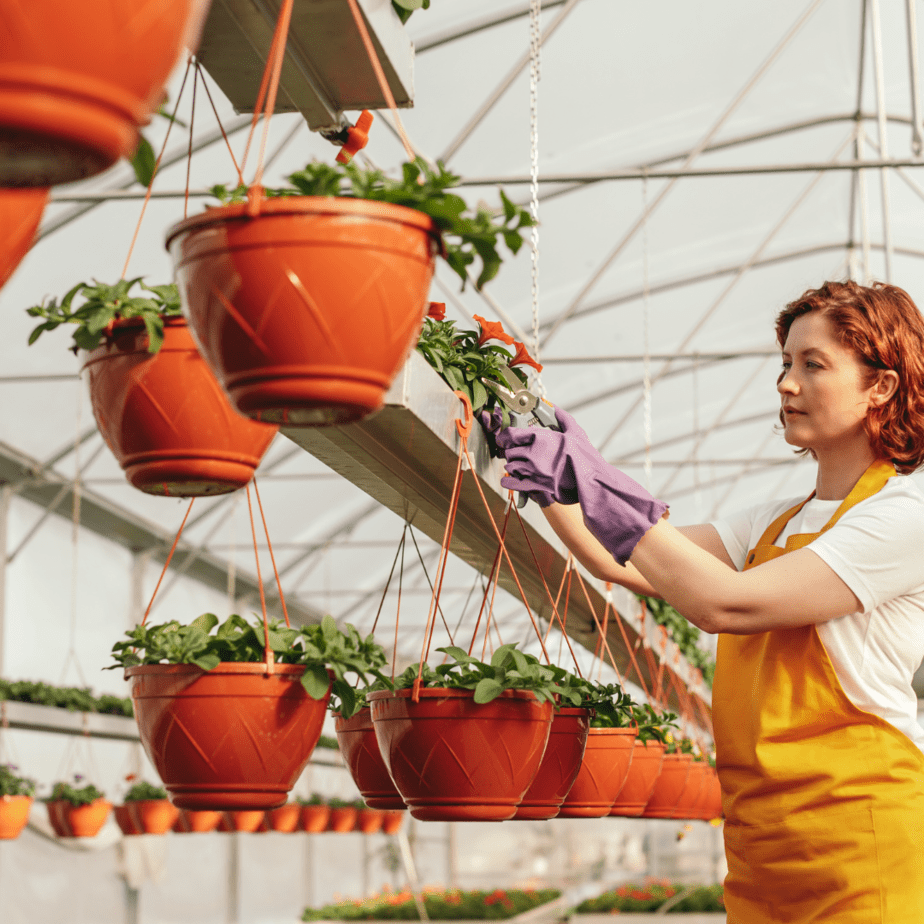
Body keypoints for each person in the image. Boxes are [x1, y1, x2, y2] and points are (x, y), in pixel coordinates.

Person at [484, 280, 924, 923]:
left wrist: (599, 482)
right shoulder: (772, 522)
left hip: (862, 852)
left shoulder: (903, 517)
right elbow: (622, 561)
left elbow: (727, 605)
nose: (785, 383)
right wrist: (554, 483)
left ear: (880, 387)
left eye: (813, 364)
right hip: (760, 858)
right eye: (784, 363)